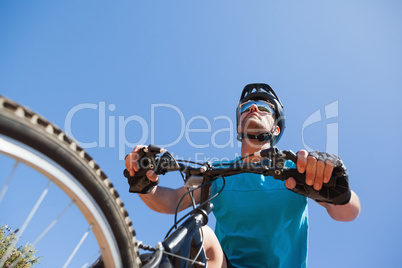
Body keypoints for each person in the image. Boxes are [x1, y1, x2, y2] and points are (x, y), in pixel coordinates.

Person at [125, 83, 361, 268]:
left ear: (275, 129)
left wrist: (340, 196)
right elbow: (171, 201)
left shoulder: (295, 169)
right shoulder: (218, 172)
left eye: (264, 107)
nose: (253, 108)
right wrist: (145, 184)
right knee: (201, 236)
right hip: (227, 265)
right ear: (239, 127)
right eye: (245, 107)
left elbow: (348, 212)